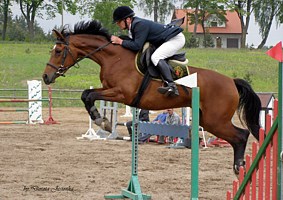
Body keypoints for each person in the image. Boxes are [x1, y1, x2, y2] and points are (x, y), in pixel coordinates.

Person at [111, 6, 185, 97]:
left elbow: (137, 46)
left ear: (127, 19)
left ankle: (172, 86)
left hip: (175, 39)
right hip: (168, 39)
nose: (118, 24)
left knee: (156, 57)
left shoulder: (139, 25)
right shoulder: (133, 26)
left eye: (119, 21)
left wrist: (120, 41)